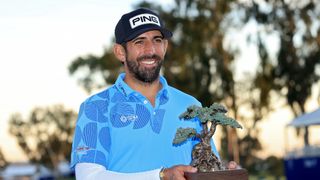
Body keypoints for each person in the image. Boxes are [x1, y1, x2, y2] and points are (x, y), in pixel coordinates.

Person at [70, 8, 236, 180]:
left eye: (157, 40)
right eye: (139, 42)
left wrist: (224, 173)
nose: (150, 50)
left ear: (165, 46)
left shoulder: (191, 105)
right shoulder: (95, 107)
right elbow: (89, 177)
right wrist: (161, 176)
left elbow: (204, 169)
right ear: (120, 52)